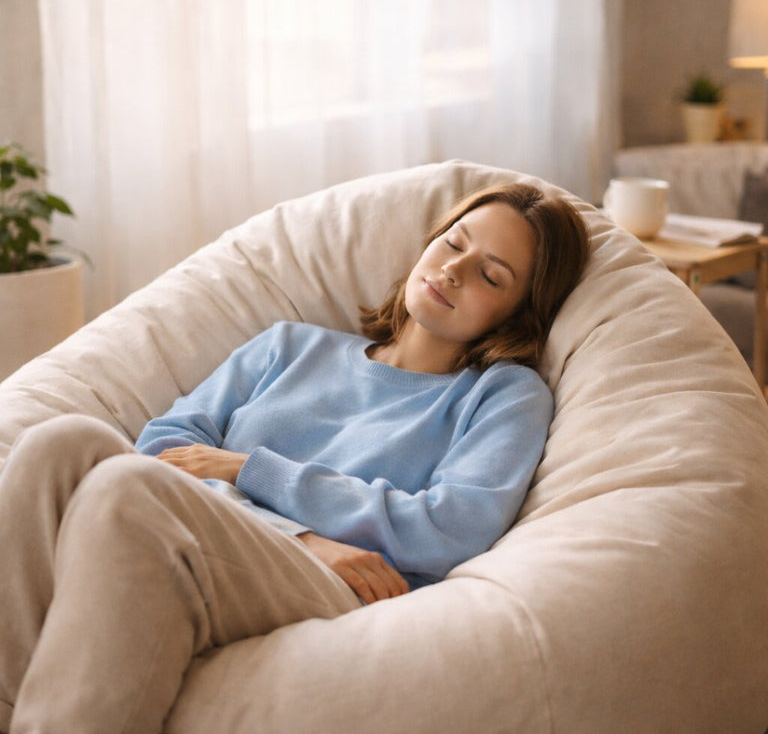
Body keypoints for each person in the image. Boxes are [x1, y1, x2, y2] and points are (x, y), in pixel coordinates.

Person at [0, 182, 590, 734]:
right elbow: (163, 449)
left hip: (340, 585)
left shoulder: (503, 394)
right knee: (59, 445)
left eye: (491, 275)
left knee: (124, 490)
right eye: (453, 243)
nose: (454, 270)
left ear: (518, 312)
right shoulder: (288, 345)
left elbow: (448, 527)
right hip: (297, 550)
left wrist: (248, 468)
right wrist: (300, 532)